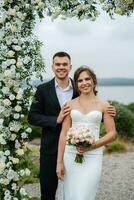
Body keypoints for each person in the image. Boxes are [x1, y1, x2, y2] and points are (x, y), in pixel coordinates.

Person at [28, 52, 116, 200]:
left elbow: (89, 114)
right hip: (50, 149)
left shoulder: (79, 88)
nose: (61, 67)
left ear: (70, 66)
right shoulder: (42, 90)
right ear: (53, 67)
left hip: (78, 150)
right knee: (48, 193)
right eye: (58, 64)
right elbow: (32, 117)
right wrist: (56, 119)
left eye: (64, 64)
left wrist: (110, 111)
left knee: (79, 193)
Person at [56, 66, 116, 200]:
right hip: (70, 156)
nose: (84, 83)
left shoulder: (105, 105)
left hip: (93, 156)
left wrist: (93, 145)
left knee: (85, 195)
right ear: (76, 85)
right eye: (80, 80)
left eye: (87, 79)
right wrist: (59, 162)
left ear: (93, 81)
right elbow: (64, 133)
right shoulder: (69, 105)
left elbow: (112, 133)